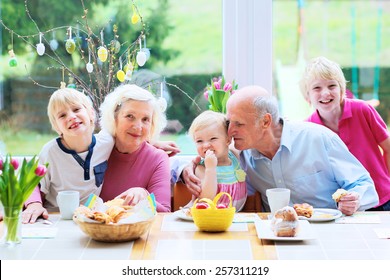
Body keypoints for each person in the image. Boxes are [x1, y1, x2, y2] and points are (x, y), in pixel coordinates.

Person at [182, 85, 379, 216]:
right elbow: (213, 160)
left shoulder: (318, 139)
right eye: (229, 122)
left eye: (238, 124)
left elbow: (363, 183)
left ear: (265, 121)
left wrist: (355, 199)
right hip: (276, 236)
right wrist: (186, 168)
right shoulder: (243, 156)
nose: (230, 131)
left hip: (328, 231)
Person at [300, 56, 390, 211]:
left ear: (342, 90)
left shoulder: (362, 110)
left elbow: (388, 148)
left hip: (382, 197)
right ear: (307, 97)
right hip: (345, 207)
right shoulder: (308, 128)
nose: (325, 93)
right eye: (317, 88)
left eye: (332, 86)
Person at [22, 88, 114, 223]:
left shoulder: (107, 142)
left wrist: (155, 143)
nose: (71, 117)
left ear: (91, 114)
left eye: (76, 109)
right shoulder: (50, 152)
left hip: (90, 218)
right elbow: (31, 182)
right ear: (57, 127)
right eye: (62, 115)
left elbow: (132, 140)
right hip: (56, 216)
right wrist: (34, 204)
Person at [98, 84, 171, 212]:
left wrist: (144, 196)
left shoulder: (158, 159)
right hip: (94, 229)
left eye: (145, 119)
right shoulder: (97, 150)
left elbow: (164, 212)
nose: (138, 126)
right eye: (130, 116)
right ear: (114, 118)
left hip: (137, 232)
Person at [186, 110, 247, 211]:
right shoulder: (202, 168)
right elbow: (206, 199)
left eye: (213, 138)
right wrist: (211, 168)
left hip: (235, 217)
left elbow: (246, 140)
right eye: (199, 141)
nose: (206, 145)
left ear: (228, 140)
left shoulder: (234, 155)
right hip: (211, 219)